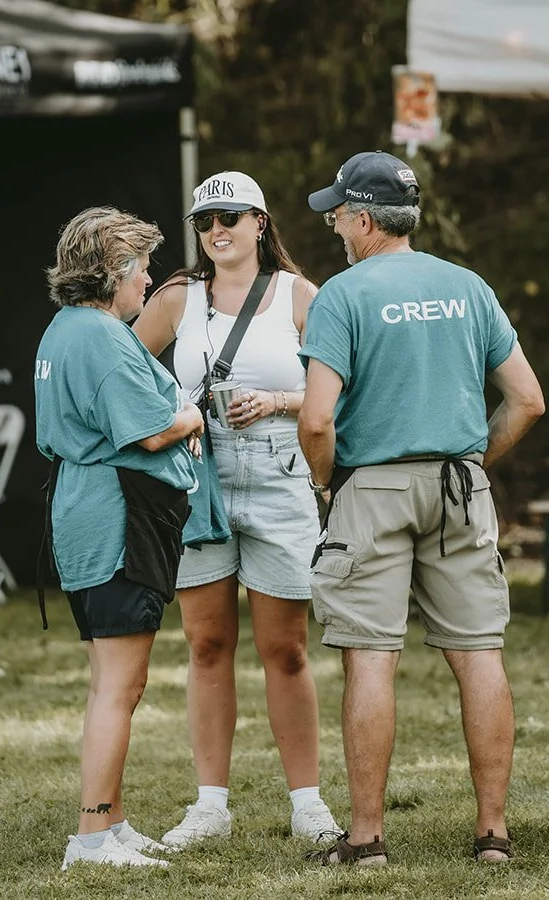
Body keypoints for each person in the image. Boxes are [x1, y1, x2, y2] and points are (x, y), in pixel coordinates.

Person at [297, 151, 546, 865]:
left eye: (339, 214)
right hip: (460, 486)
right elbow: (527, 399)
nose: (335, 226)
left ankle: (368, 838)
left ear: (366, 219)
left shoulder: (342, 295)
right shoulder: (467, 286)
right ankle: (493, 834)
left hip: (370, 489)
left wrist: (326, 486)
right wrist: (470, 463)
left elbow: (317, 420)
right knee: (479, 656)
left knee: (371, 659)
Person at [133, 171, 340, 846]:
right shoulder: (175, 298)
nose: (216, 230)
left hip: (280, 471)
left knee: (285, 647)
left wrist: (280, 402)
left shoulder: (299, 295)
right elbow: (125, 373)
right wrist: (176, 415)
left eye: (230, 216)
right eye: (204, 221)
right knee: (207, 642)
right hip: (200, 474)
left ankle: (307, 803)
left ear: (260, 221)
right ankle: (210, 806)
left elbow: (340, 387)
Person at [33, 206, 204, 870]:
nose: (148, 281)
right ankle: (94, 834)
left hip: (81, 513)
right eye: (143, 268)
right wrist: (188, 414)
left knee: (107, 679)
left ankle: (112, 819)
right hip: (116, 519)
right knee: (120, 687)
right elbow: (149, 430)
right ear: (115, 272)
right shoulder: (102, 336)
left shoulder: (63, 329)